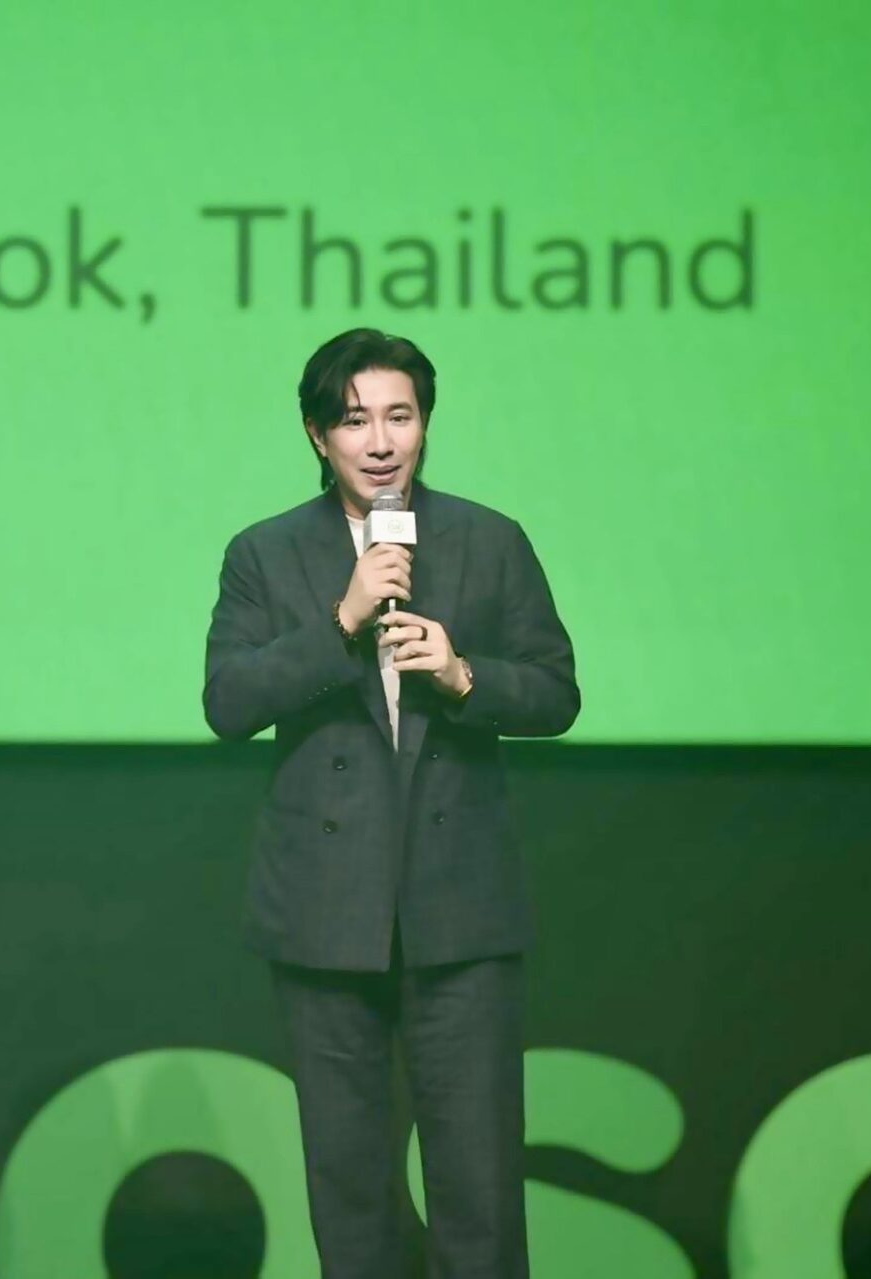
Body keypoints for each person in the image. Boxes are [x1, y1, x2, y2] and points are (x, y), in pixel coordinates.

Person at [203, 328, 578, 1277]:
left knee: (479, 1186)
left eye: (399, 416)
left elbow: (556, 692)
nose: (379, 442)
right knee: (351, 1188)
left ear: (425, 423)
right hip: (327, 913)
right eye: (354, 419)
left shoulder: (489, 540)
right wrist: (342, 619)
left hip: (461, 909)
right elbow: (228, 704)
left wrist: (463, 675)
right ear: (317, 434)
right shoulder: (266, 553)